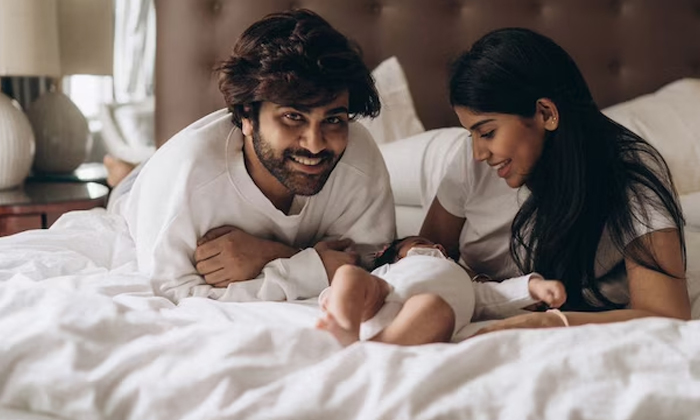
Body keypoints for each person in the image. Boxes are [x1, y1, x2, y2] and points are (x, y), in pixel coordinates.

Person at [420, 27, 690, 333]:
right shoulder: (471, 160)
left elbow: (666, 313)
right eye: (472, 134)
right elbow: (423, 258)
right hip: (436, 156)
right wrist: (486, 291)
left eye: (487, 132)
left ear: (546, 113)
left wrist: (544, 322)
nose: (478, 152)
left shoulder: (631, 174)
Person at [119, 9, 395, 303]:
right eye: (293, 117)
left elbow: (367, 264)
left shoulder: (358, 153)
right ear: (247, 116)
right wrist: (310, 270)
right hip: (137, 190)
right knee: (125, 184)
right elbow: (172, 295)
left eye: (333, 119)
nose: (315, 144)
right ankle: (124, 171)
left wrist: (271, 254)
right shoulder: (186, 174)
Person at [316, 236, 566, 346]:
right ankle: (345, 326)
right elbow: (362, 284)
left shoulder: (468, 285)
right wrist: (334, 298)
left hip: (417, 319)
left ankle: (378, 348)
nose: (436, 245)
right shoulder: (395, 268)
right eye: (418, 242)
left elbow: (498, 295)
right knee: (348, 274)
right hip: (382, 298)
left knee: (434, 308)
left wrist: (535, 287)